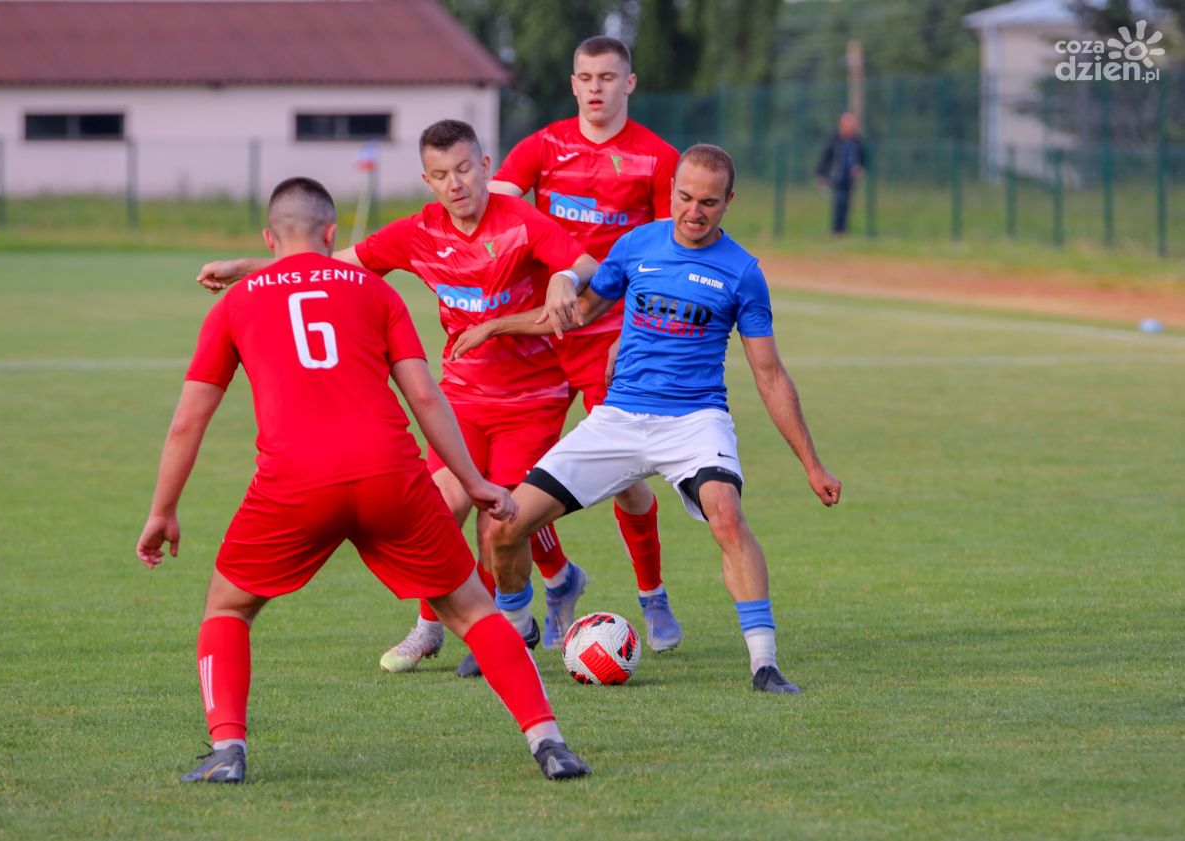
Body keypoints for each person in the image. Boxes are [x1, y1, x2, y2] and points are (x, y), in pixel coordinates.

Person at [137, 176, 590, 783]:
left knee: (227, 607)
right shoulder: (375, 291)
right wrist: (472, 480)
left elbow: (187, 422)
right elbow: (425, 396)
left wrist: (163, 511)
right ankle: (549, 743)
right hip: (389, 474)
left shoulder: (236, 304)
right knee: (473, 610)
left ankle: (227, 751)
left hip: (295, 482)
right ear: (331, 234)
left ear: (269, 240)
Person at [195, 121, 598, 678]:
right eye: (441, 174)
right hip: (462, 394)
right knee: (439, 509)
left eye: (464, 169)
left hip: (531, 398)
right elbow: (328, 265)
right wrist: (244, 268)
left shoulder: (521, 222)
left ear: (485, 167)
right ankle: (432, 625)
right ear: (427, 181)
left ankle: (512, 625)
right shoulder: (418, 232)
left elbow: (585, 264)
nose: (455, 183)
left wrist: (565, 279)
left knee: (498, 526)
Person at [467, 145, 842, 694]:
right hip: (619, 418)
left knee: (727, 515)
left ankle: (764, 665)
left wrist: (812, 464)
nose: (694, 211)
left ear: (729, 201)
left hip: (695, 420)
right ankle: (518, 630)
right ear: (671, 192)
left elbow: (770, 375)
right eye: (685, 197)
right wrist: (496, 326)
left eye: (708, 202)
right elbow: (578, 314)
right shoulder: (636, 245)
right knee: (505, 527)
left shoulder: (742, 273)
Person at [481, 35, 684, 653]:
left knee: (626, 477)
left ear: (630, 83)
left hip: (610, 339)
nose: (596, 88)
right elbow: (494, 212)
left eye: (608, 77)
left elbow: (664, 258)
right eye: (586, 77)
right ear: (573, 84)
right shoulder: (542, 147)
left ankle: (652, 594)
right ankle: (558, 577)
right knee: (518, 482)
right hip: (542, 337)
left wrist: (633, 334)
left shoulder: (656, 158)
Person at [815, 111, 866, 236]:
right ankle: (836, 229)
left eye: (852, 124)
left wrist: (860, 167)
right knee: (839, 201)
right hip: (836, 175)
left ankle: (843, 229)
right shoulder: (834, 139)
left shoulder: (857, 140)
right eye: (847, 123)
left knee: (847, 203)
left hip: (850, 177)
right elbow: (825, 157)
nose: (850, 126)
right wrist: (821, 174)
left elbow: (863, 157)